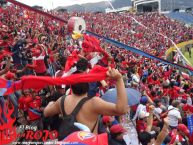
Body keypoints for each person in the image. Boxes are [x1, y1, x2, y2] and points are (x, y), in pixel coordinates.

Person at [43, 67, 128, 134]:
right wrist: (119, 80)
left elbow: (46, 112)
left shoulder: (62, 101)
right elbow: (122, 110)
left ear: (71, 87)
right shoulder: (94, 103)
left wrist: (51, 103)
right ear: (88, 86)